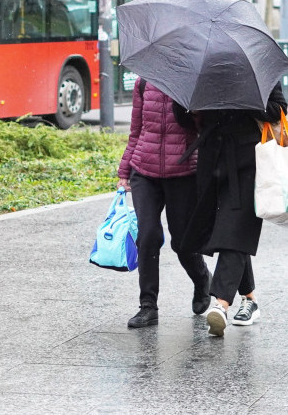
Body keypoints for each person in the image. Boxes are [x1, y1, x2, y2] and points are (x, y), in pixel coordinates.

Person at [181, 82, 287, 337]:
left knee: (237, 230)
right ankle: (249, 299)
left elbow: (279, 109)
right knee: (226, 230)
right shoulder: (206, 74)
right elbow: (185, 119)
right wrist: (188, 106)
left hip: (250, 163)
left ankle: (221, 305)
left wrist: (246, 98)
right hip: (212, 163)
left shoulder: (258, 73)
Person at [118, 77, 212, 329]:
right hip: (144, 170)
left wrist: (194, 112)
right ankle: (148, 306)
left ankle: (202, 279)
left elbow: (204, 129)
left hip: (181, 172)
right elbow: (136, 130)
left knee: (182, 242)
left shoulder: (192, 83)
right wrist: (125, 169)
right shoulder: (143, 83)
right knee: (147, 235)